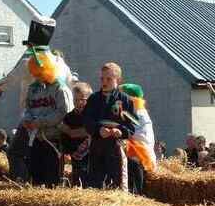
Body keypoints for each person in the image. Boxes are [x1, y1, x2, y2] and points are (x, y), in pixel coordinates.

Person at [22, 38, 74, 187]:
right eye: (34, 74)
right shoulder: (32, 88)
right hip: (36, 139)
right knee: (35, 177)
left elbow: (63, 112)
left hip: (53, 140)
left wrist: (39, 122)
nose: (36, 77)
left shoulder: (60, 89)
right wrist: (27, 120)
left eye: (39, 74)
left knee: (52, 180)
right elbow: (28, 108)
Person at [83, 62, 136, 190]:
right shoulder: (93, 99)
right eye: (102, 79)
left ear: (118, 80)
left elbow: (132, 126)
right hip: (97, 147)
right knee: (95, 184)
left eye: (109, 79)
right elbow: (86, 121)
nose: (104, 82)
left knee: (116, 185)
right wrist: (98, 130)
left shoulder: (125, 100)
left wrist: (121, 131)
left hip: (115, 148)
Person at [119, 83, 156, 195]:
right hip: (137, 153)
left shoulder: (137, 113)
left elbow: (129, 133)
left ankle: (136, 194)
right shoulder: (137, 111)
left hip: (139, 155)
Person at [61, 82, 93, 187]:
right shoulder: (69, 117)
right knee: (77, 177)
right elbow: (64, 137)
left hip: (91, 155)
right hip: (75, 154)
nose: (79, 103)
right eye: (76, 99)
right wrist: (68, 151)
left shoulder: (92, 116)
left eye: (83, 100)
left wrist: (71, 132)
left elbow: (90, 131)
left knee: (89, 177)